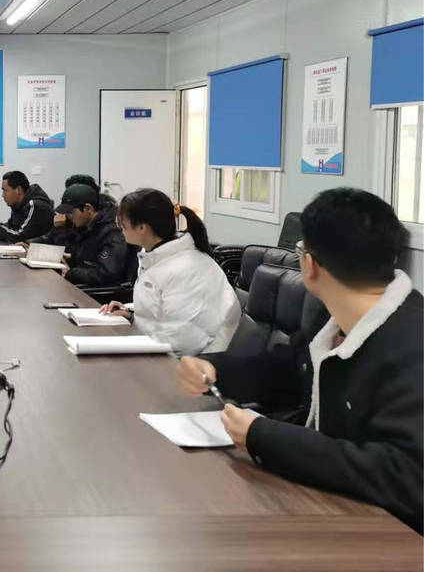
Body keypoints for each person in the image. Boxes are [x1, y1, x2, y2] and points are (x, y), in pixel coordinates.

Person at [177, 188, 422, 533]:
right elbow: (290, 371)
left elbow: (405, 475)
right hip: (324, 506)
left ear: (309, 264)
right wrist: (215, 369)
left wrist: (264, 437)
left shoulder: (411, 342)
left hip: (391, 538)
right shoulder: (331, 316)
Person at [101, 188, 239, 355]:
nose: (120, 229)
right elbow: (163, 311)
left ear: (142, 227)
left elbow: (185, 339)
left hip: (201, 361)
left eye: (122, 224)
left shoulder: (184, 268)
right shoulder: (158, 257)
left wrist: (134, 347)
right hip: (169, 353)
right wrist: (131, 314)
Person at [54, 183, 128, 288]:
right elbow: (83, 258)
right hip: (83, 285)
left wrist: (71, 273)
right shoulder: (85, 226)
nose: (68, 216)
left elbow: (105, 274)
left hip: (99, 293)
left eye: (71, 212)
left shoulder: (112, 232)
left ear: (88, 208)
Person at [29, 174, 109, 248]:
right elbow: (49, 238)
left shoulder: (100, 224)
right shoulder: (70, 214)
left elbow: (71, 251)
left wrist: (59, 229)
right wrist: (28, 244)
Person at [0, 171, 53, 241]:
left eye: (5, 190)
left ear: (18, 190)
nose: (2, 195)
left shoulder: (35, 206)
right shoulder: (18, 204)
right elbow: (11, 228)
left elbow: (20, 237)